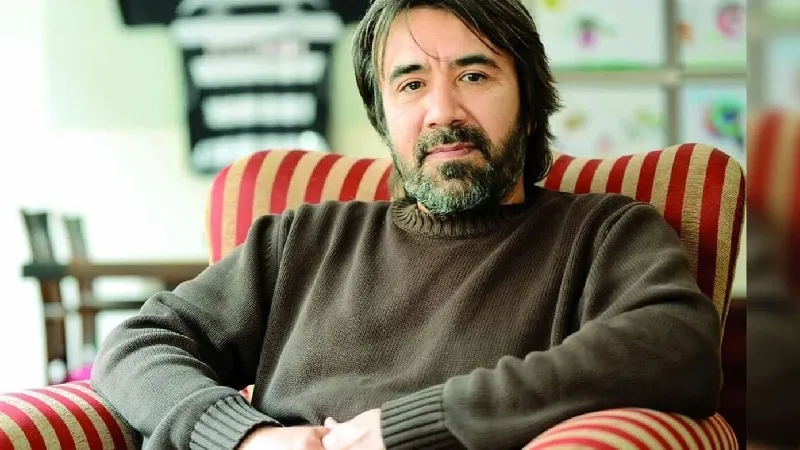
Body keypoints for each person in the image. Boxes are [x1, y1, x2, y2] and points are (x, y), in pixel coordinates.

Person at [91, 0, 723, 449]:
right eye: (411, 84)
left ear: (530, 106)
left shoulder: (603, 233)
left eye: (473, 75)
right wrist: (245, 436)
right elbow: (138, 344)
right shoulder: (302, 240)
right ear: (384, 118)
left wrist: (418, 424)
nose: (441, 110)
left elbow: (678, 346)